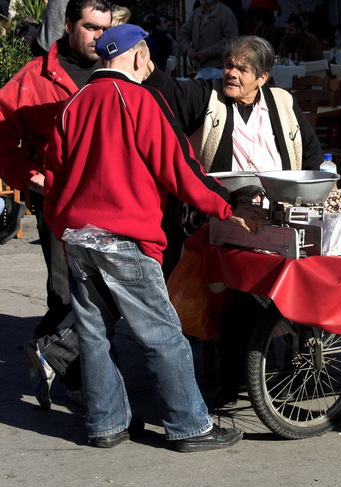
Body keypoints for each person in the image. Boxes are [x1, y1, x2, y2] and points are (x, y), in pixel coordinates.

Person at [43, 23, 247, 451]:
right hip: (124, 236)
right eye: (148, 58)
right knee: (162, 334)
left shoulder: (74, 103)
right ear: (138, 56)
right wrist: (226, 205)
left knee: (95, 335)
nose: (149, 65)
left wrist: (62, 227)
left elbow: (54, 176)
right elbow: (180, 167)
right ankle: (190, 425)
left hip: (79, 236)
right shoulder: (140, 99)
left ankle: (106, 424)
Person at [144, 35, 323, 406]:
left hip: (280, 210)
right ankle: (236, 375)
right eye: (228, 64)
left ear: (262, 77)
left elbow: (311, 154)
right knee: (240, 284)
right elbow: (173, 94)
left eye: (242, 68)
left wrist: (316, 185)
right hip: (226, 213)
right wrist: (149, 69)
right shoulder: (208, 98)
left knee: (311, 271)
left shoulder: (283, 103)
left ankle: (297, 363)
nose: (231, 73)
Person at [0, 0, 113, 409]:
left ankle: (63, 357)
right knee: (67, 294)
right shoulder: (34, 77)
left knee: (111, 291)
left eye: (105, 27)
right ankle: (77, 382)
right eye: (90, 27)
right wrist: (31, 178)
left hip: (115, 201)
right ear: (67, 26)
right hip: (60, 204)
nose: (100, 36)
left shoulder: (118, 68)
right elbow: (2, 138)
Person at [178, 0, 238, 71]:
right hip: (197, 69)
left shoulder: (226, 14)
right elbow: (183, 34)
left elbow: (231, 40)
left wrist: (209, 52)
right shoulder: (196, 13)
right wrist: (188, 49)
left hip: (217, 70)